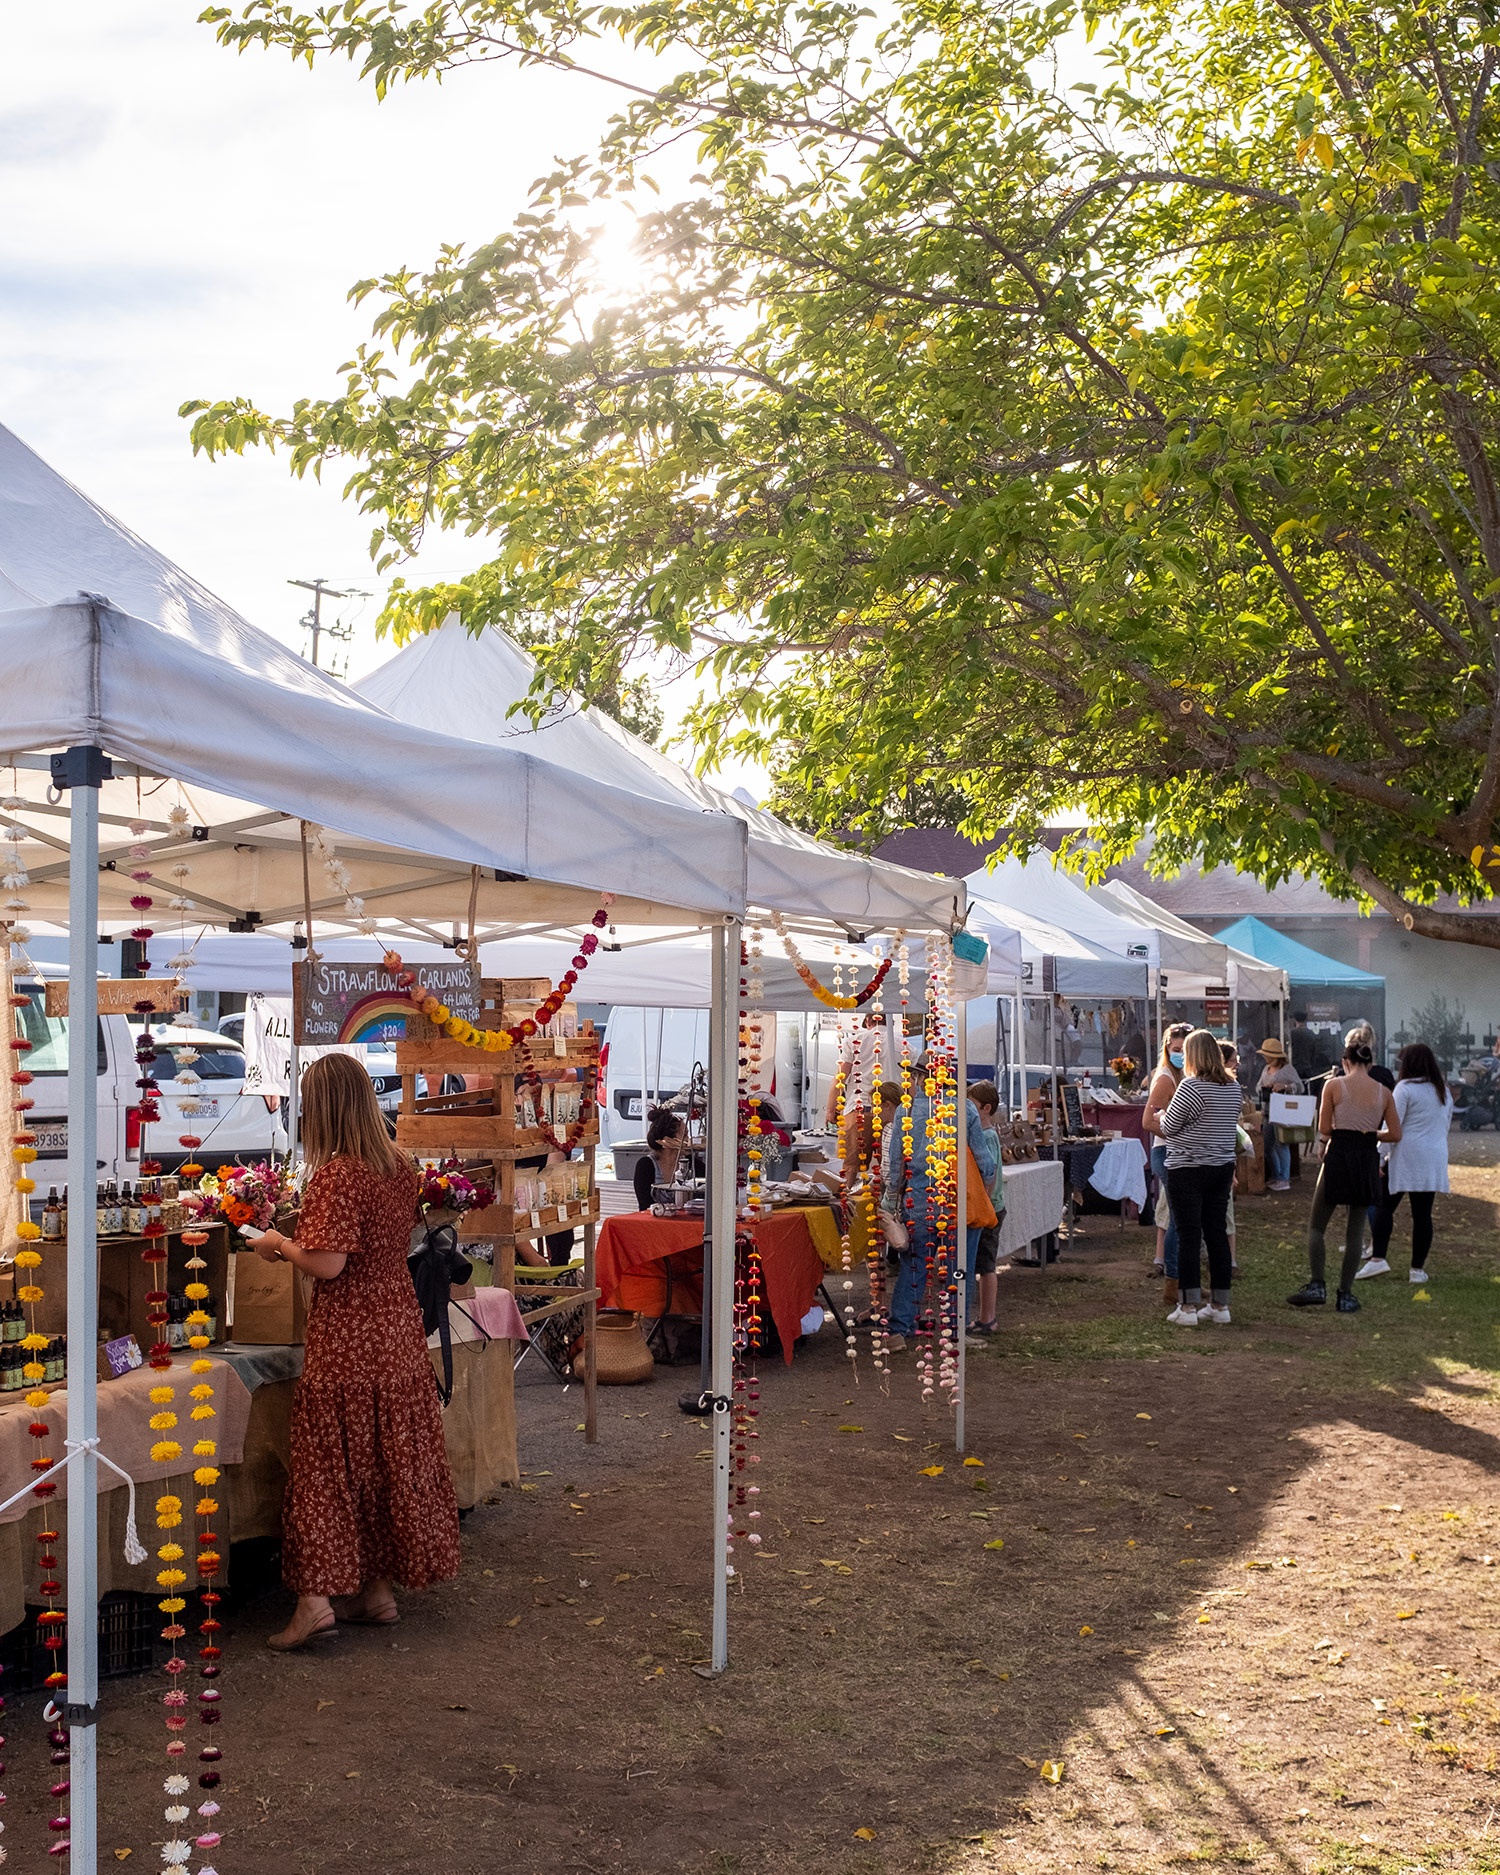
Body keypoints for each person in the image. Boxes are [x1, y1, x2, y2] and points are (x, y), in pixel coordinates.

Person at [255, 1053, 460, 1650]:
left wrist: (279, 1243)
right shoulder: (399, 1165)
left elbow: (328, 1263)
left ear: (324, 1108)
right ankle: (376, 1593)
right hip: (396, 1329)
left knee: (328, 1466)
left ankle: (314, 1603)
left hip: (348, 1335)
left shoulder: (339, 1174)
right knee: (378, 1461)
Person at [881, 1057, 991, 1352]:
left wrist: (893, 1196)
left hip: (918, 1199)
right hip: (956, 1200)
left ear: (921, 1078)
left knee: (913, 1265)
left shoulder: (905, 1110)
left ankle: (899, 1329)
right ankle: (955, 1330)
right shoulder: (964, 1108)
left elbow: (895, 1163)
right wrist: (986, 1183)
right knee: (959, 1269)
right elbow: (983, 1159)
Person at [1287, 1031, 1401, 1313]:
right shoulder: (1384, 1092)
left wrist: (1334, 1136)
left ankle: (1317, 1284)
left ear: (1345, 1061)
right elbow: (1395, 1133)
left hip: (1339, 1154)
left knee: (1317, 1225)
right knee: (1355, 1230)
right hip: (1366, 1157)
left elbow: (1325, 1128)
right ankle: (1346, 1294)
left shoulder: (1334, 1086)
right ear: (1370, 1064)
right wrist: (1371, 1133)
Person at [1158, 1029, 1244, 1326]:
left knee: (1189, 1236)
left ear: (1193, 1055)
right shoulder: (1233, 1088)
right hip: (1220, 1167)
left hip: (1187, 1168)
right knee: (1217, 1233)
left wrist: (1160, 1116)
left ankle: (1187, 1307)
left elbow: (1169, 1126)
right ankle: (1220, 1305)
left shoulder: (1190, 1087)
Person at [1358, 1042, 1452, 1284]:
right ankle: (1417, 1270)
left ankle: (1378, 1258)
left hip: (1406, 1155)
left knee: (1384, 1206)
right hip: (1433, 1156)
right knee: (1423, 1214)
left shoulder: (1405, 1088)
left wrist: (1380, 1156)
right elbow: (1445, 1123)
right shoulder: (1442, 1089)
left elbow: (1392, 1126)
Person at [1142, 1022, 1192, 1304]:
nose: (1180, 1054)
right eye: (1176, 1049)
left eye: (1185, 1049)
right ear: (1167, 1049)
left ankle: (1183, 1280)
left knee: (1181, 1218)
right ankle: (1174, 1282)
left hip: (1179, 1153)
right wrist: (1178, 1134)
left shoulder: (1185, 1075)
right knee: (1177, 1218)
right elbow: (1148, 1121)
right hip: (1167, 1153)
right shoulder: (1165, 1078)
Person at [964, 1082, 1006, 1341]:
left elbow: (988, 1174)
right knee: (982, 1263)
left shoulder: (987, 1137)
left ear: (986, 1108)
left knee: (987, 1265)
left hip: (989, 1209)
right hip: (988, 1207)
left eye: (973, 1107)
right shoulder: (984, 1134)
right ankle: (983, 1317)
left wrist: (984, 1203)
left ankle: (988, 1318)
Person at [1256, 1038, 1304, 1190]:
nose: (1265, 1057)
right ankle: (1276, 1175)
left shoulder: (1288, 1069)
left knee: (1281, 1144)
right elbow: (1258, 1086)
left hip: (1282, 1112)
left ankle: (1284, 1178)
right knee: (1268, 1145)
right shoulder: (1266, 1068)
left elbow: (1300, 1087)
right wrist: (1265, 1087)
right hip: (1267, 1111)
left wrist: (1284, 1087)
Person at [633, 1106, 687, 1210]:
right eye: (685, 1135)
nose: (689, 1140)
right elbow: (644, 1205)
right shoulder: (646, 1165)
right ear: (668, 1140)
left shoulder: (693, 1164)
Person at [1290, 1012, 1316, 1081]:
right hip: (1307, 1067)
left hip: (1294, 1067)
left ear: (1295, 1020)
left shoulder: (1291, 1034)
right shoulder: (1311, 1034)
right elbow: (1314, 1052)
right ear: (1305, 1020)